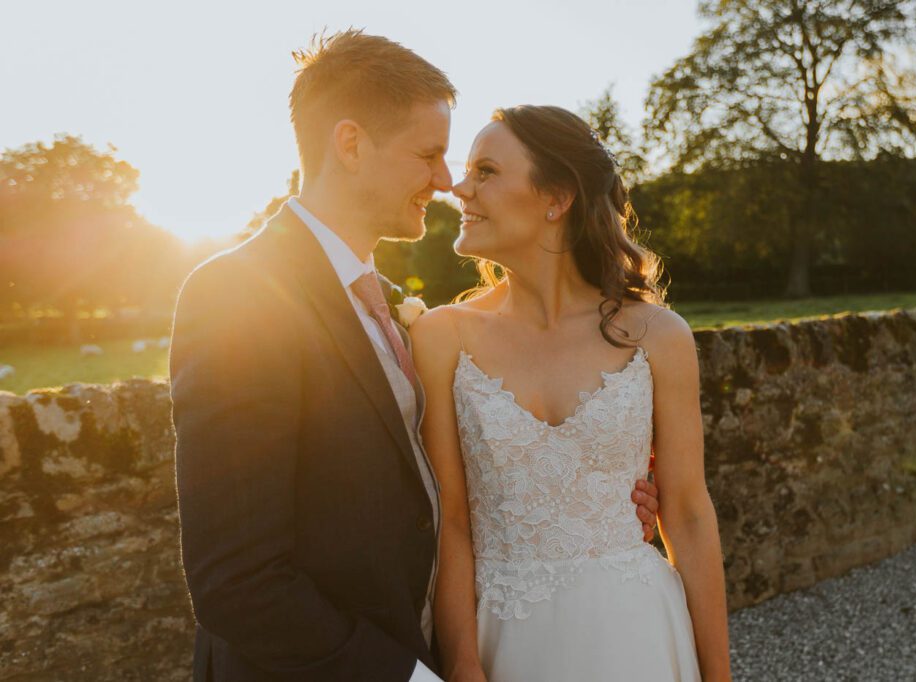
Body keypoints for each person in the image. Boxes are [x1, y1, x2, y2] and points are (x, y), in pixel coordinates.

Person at [170, 31, 660, 681]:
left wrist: (596, 502)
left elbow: (435, 487)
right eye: (429, 154)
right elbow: (237, 581)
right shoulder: (238, 294)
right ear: (350, 144)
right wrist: (409, 676)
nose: (445, 180)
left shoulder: (399, 308)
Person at [411, 106, 732, 681]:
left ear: (556, 197)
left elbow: (686, 513)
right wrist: (462, 665)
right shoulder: (440, 337)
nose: (459, 188)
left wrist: (719, 677)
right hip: (504, 638)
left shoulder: (657, 335)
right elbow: (451, 523)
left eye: (485, 171)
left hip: (639, 634)